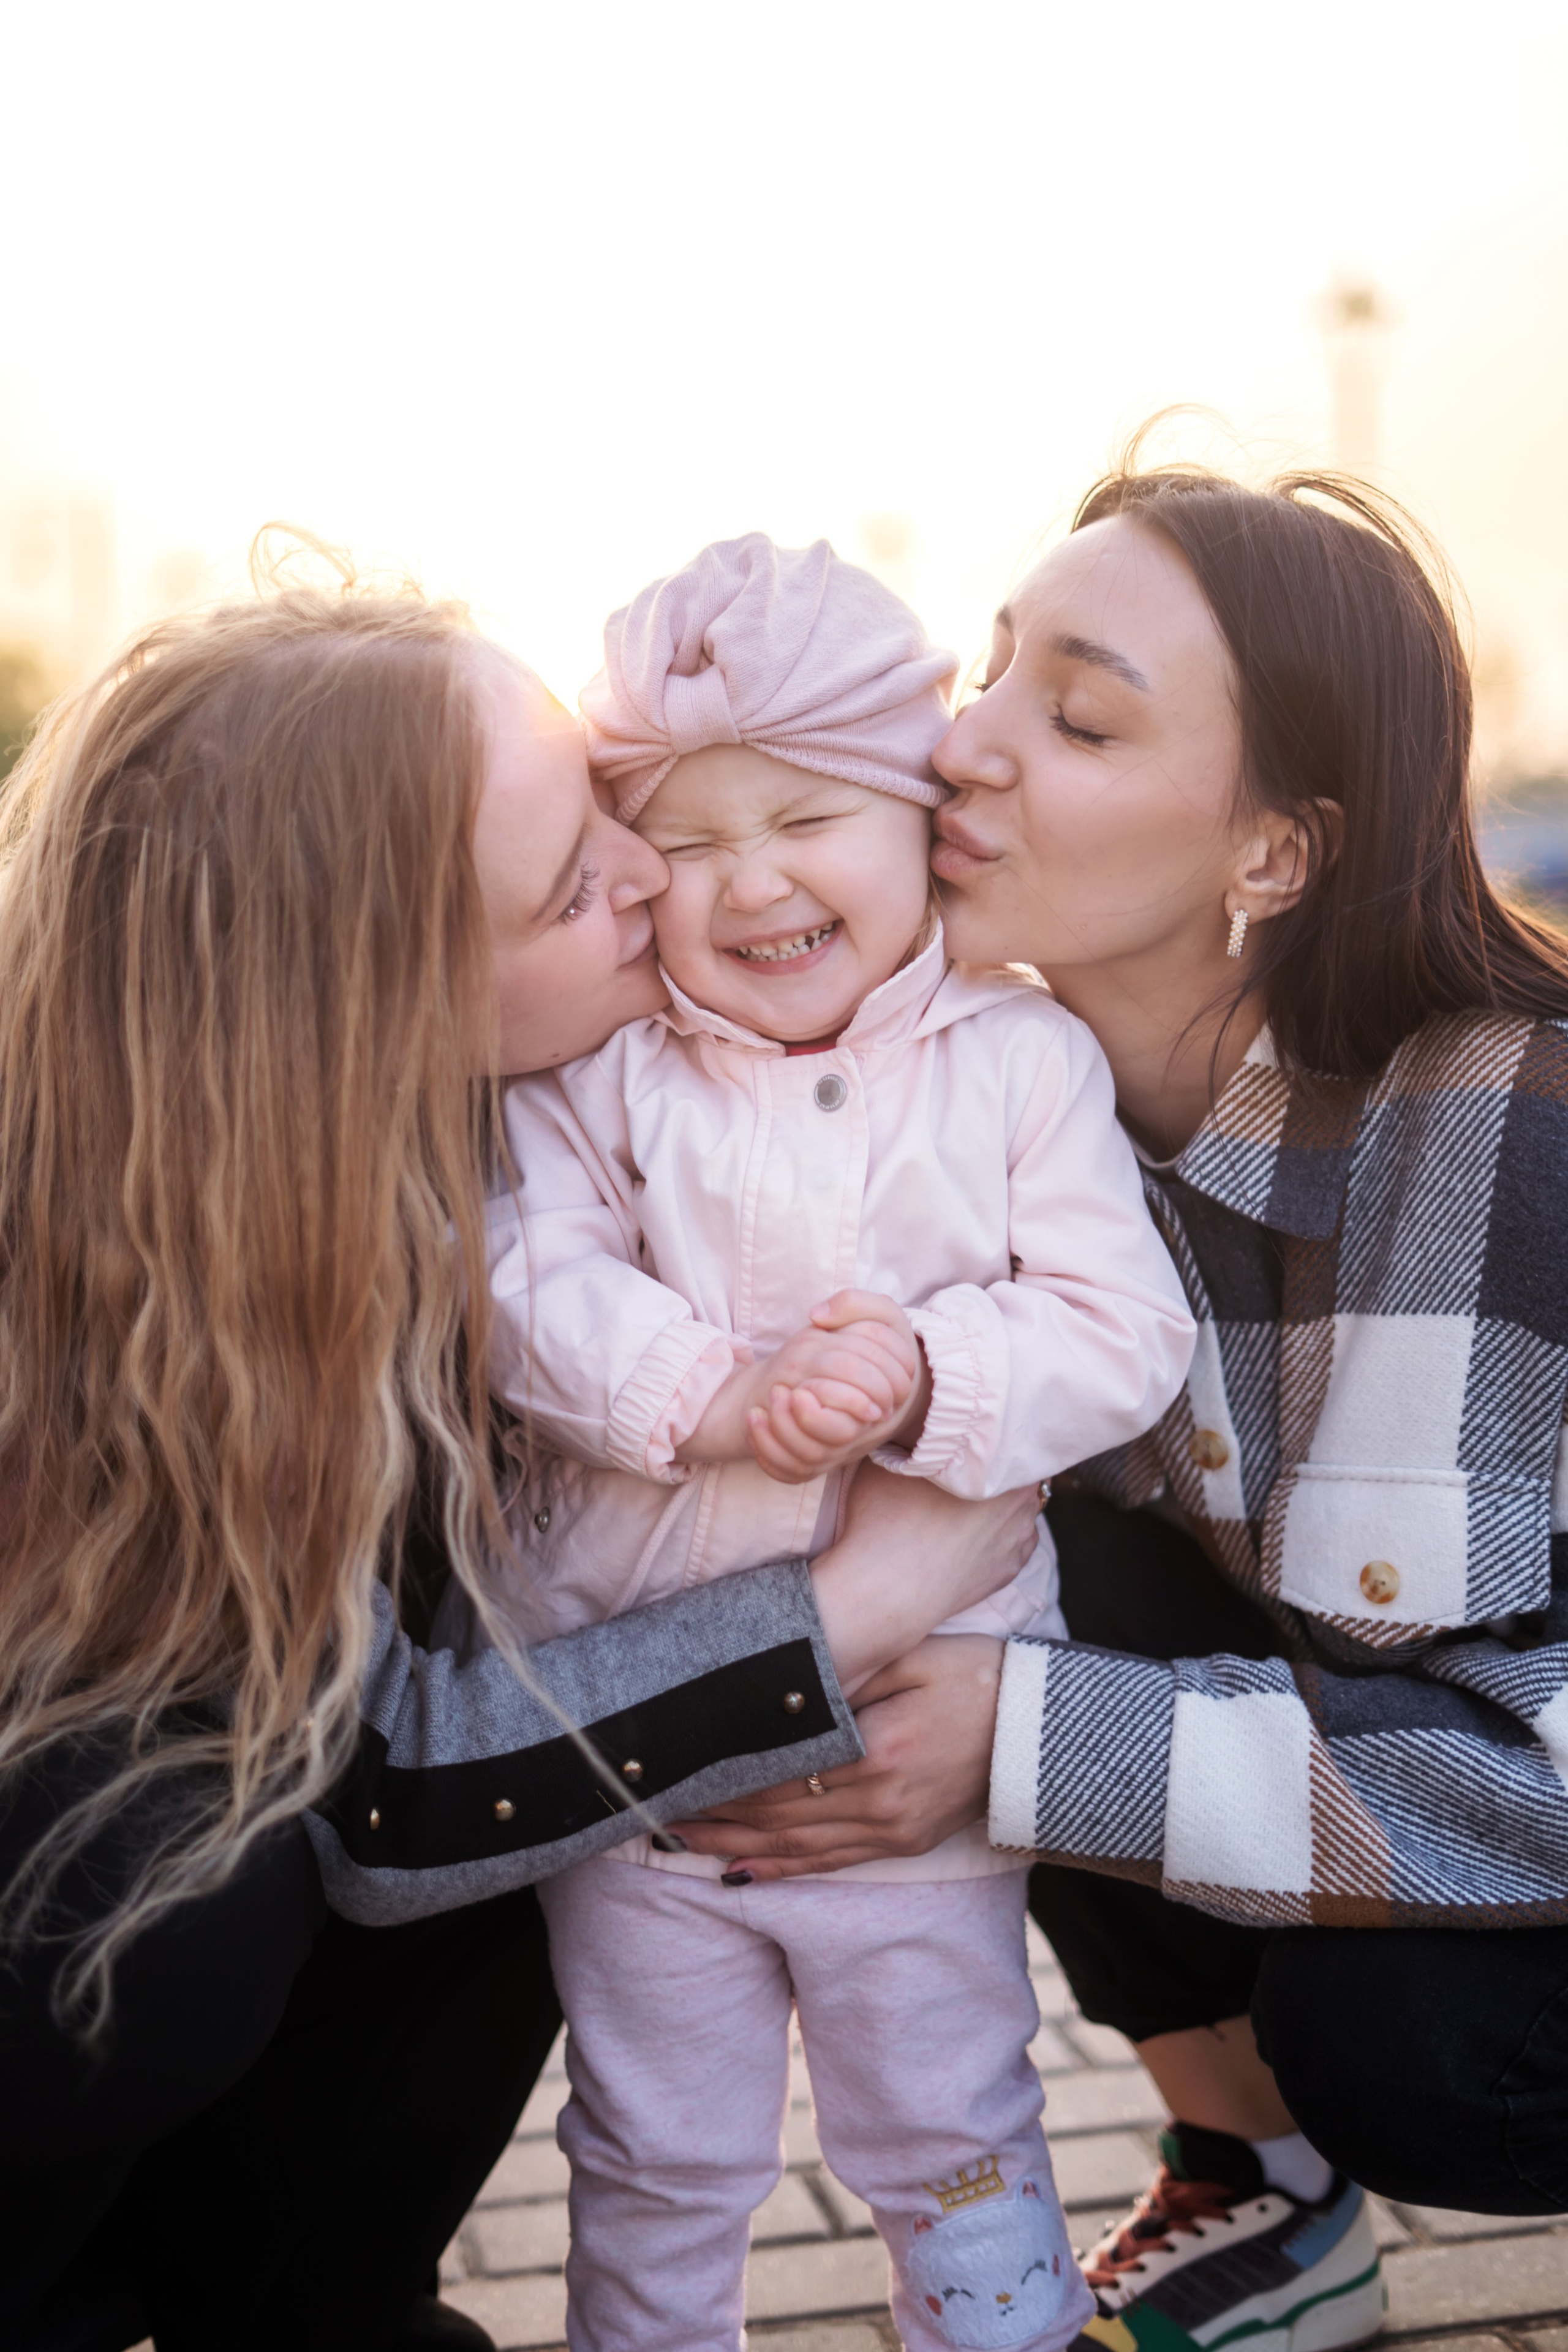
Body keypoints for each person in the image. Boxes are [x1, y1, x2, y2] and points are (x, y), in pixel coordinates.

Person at [0, 570, 1039, 2352]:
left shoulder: (491, 1137)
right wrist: (863, 1603)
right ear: (374, 1013)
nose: (649, 876)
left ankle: (319, 2300)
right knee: (158, 1882)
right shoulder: (94, 1269)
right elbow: (388, 1794)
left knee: (517, 1828)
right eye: (573, 883)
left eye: (603, 812)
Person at [678, 459, 1568, 2350]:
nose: (966, 747)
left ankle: (1322, 2127)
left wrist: (1031, 1743)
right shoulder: (1001, 1102)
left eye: (1076, 716)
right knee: (1015, 1555)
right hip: (1401, 1748)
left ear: (1272, 857)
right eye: (990, 672)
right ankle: (1265, 2194)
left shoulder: (1504, 1123)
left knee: (1416, 2036)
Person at [473, 534, 1194, 2352]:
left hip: (913, 1762)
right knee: (653, 2150)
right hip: (640, 1773)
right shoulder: (602, 1079)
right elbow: (518, 1284)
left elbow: (1124, 1330)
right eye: (693, 842)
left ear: (919, 825)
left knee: (951, 2131)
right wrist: (700, 1394)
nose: (757, 881)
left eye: (811, 818)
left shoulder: (1015, 1067)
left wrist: (934, 1372)